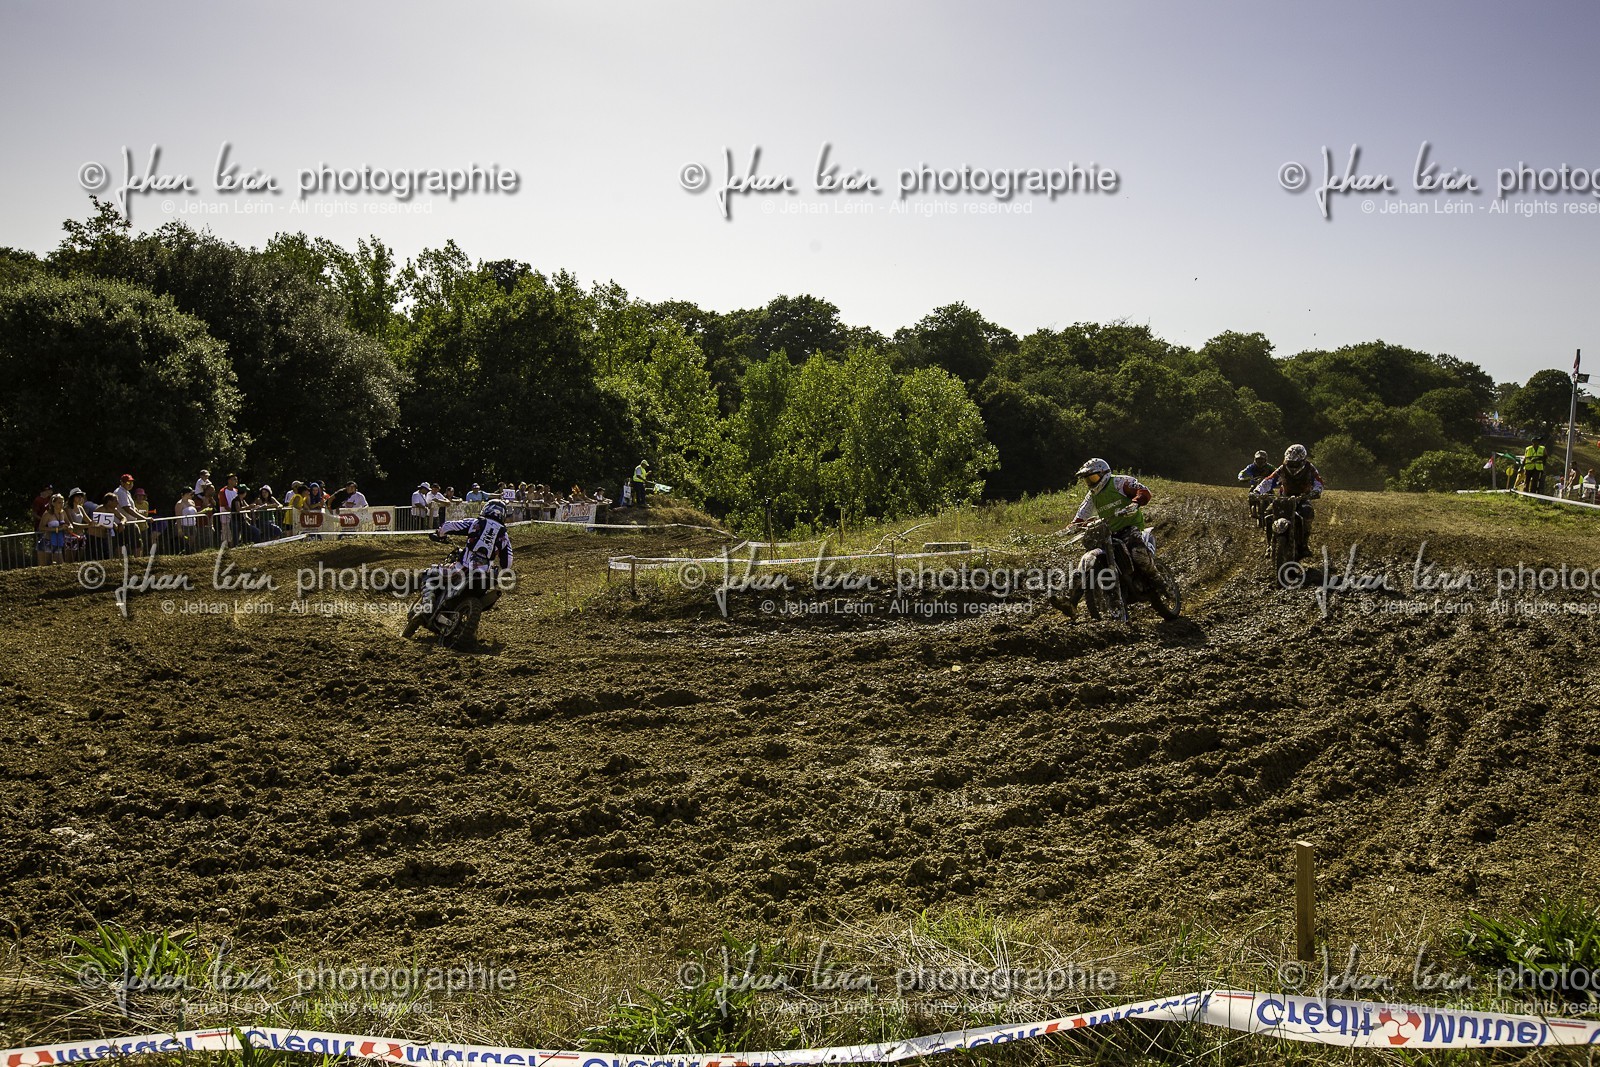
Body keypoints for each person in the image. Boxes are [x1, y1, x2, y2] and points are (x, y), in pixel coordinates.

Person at [427, 498, 515, 643]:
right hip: (484, 575)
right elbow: (508, 562)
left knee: (431, 573)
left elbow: (450, 526)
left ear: (486, 509)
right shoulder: (504, 535)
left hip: (463, 568)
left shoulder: (476, 523)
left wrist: (440, 533)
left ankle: (427, 606)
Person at [1066, 458, 1161, 580]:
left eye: (1093, 478)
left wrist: (1135, 504)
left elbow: (1143, 491)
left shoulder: (1119, 482)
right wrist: (1072, 526)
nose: (1090, 482)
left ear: (1104, 473)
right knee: (1090, 557)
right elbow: (1082, 514)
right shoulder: (1092, 495)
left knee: (1137, 554)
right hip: (1108, 533)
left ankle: (1158, 578)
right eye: (1087, 479)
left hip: (1130, 527)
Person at [1252, 444, 1325, 560]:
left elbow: (1318, 481)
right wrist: (1257, 491)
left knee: (1307, 512)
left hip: (1302, 498)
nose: (1292, 466)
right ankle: (1270, 545)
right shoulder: (1282, 468)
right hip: (1284, 498)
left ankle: (1304, 544)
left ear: (1302, 461)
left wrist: (1316, 491)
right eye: (1290, 463)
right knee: (1269, 514)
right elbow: (1269, 480)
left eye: (1295, 464)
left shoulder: (1309, 468)